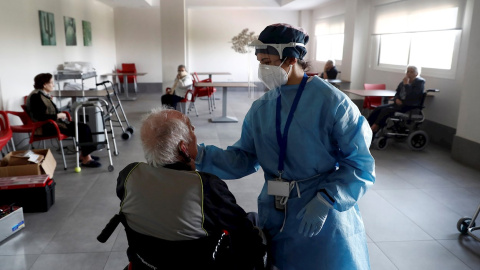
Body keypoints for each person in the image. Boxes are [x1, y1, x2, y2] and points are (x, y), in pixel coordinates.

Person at [195, 23, 375, 269]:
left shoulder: (332, 103)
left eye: (267, 60)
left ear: (291, 59)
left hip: (321, 212)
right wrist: (200, 155)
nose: (263, 68)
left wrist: (327, 199)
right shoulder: (262, 107)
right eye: (259, 61)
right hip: (275, 210)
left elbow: (360, 164)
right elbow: (244, 158)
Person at [115, 108, 266, 269]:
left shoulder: (128, 175)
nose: (195, 136)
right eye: (192, 131)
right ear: (184, 148)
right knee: (253, 221)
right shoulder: (204, 187)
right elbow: (246, 237)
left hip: (146, 263)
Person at [26, 73, 101, 168]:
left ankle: (84, 155)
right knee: (82, 129)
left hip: (52, 123)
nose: (53, 85)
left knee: (84, 127)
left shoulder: (42, 95)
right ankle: (86, 158)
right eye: (51, 83)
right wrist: (58, 115)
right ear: (44, 84)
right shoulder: (36, 97)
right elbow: (40, 116)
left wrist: (60, 115)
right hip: (45, 127)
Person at [367, 65, 425, 134]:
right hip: (398, 104)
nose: (409, 73)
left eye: (411, 72)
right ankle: (366, 125)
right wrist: (396, 99)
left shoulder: (419, 82)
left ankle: (375, 126)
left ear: (416, 74)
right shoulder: (403, 82)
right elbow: (397, 93)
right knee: (378, 108)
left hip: (409, 106)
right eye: (408, 71)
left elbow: (412, 95)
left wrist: (406, 84)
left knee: (385, 110)